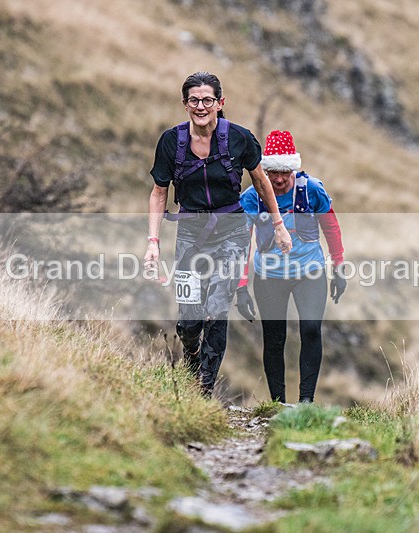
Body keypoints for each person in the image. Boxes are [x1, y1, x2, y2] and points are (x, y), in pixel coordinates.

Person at [144, 72, 292, 397]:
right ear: (185, 104)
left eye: (207, 100)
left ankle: (203, 391)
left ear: (220, 103)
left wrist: (278, 225)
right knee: (188, 323)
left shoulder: (239, 139)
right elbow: (159, 193)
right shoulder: (172, 142)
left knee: (215, 310)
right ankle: (192, 359)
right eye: (194, 100)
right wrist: (153, 243)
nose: (201, 106)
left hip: (232, 233)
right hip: (189, 236)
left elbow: (261, 182)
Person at [237, 129, 346, 404]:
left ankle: (306, 402)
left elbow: (331, 227)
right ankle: (277, 404)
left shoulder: (312, 190)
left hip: (310, 272)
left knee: (310, 329)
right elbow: (241, 244)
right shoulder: (252, 197)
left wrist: (339, 268)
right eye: (273, 172)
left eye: (286, 171)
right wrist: (241, 287)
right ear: (265, 170)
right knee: (274, 338)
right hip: (269, 276)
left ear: (294, 169)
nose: (280, 179)